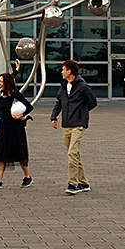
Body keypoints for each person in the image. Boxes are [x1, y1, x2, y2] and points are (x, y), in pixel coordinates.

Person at [50, 59, 98, 195]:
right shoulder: (63, 86)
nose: (61, 71)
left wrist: (81, 112)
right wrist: (54, 117)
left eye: (63, 69)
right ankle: (84, 183)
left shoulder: (83, 87)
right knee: (74, 154)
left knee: (72, 153)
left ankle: (72, 184)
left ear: (69, 71)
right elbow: (58, 102)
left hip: (78, 124)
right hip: (66, 124)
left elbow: (93, 102)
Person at [0, 73, 33, 189]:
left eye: (1, 82)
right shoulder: (1, 94)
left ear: (7, 83)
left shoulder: (15, 94)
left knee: (19, 153)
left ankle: (27, 176)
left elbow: (29, 107)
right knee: (2, 154)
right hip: (4, 127)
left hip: (15, 129)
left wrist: (20, 115)